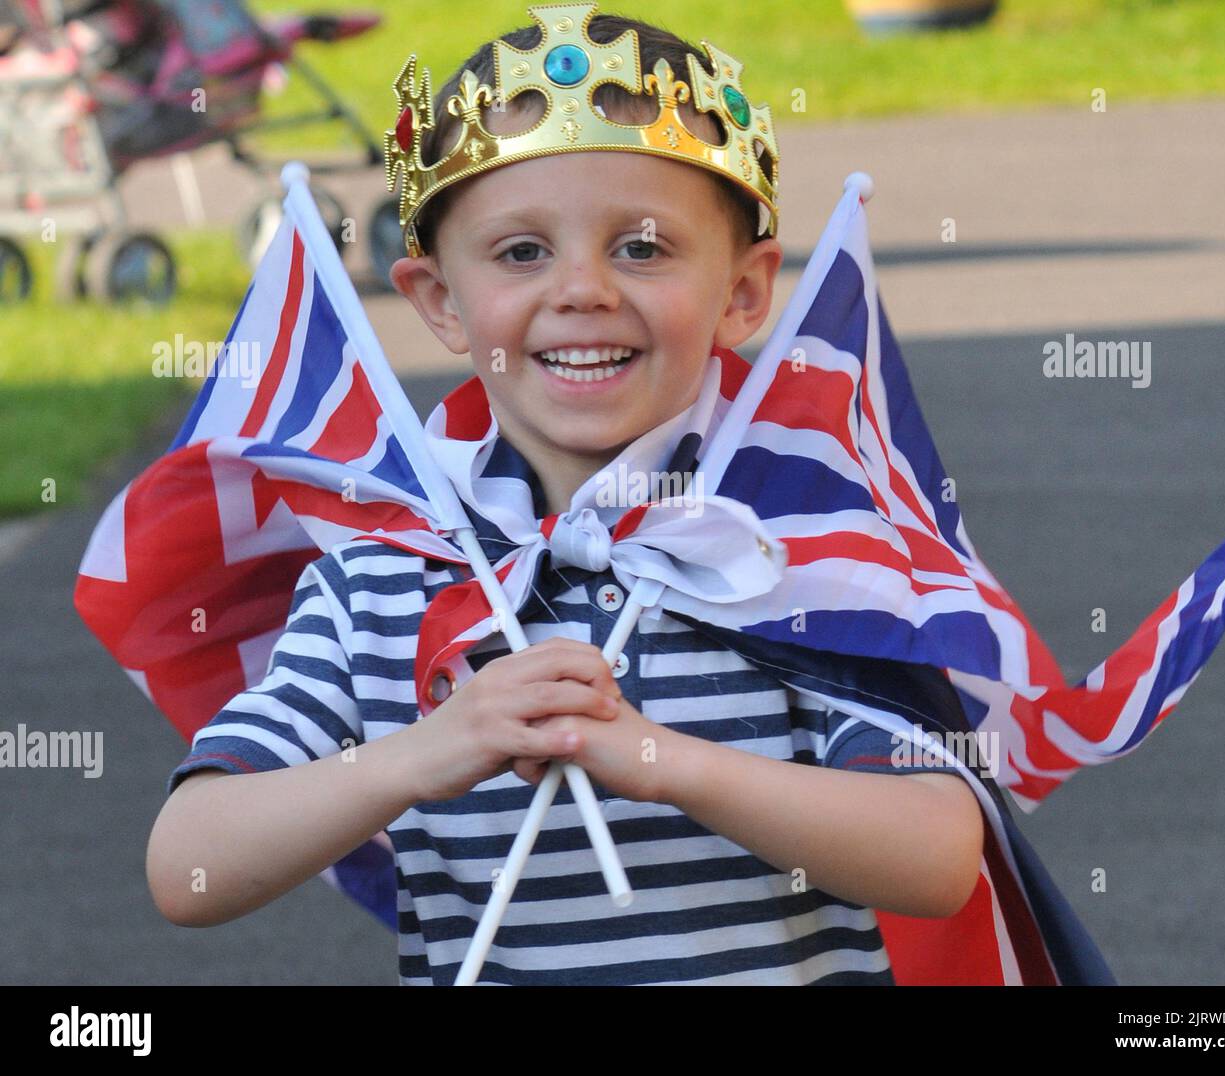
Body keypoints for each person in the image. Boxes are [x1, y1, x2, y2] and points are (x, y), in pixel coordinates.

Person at [146, 2, 985, 985]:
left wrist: (659, 759)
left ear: (746, 292)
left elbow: (935, 854)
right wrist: (427, 752)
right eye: (519, 252)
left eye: (642, 247)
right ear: (437, 301)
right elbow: (188, 865)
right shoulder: (379, 584)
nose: (581, 288)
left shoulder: (806, 557)